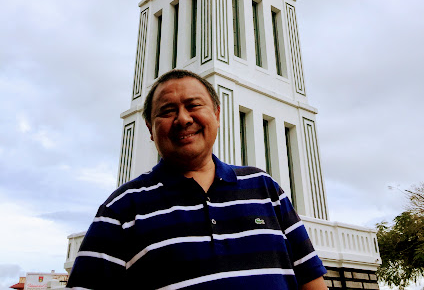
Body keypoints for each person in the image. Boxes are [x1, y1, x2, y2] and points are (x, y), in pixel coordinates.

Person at [67, 69, 328, 289]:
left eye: (193, 105)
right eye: (168, 111)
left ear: (216, 113)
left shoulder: (265, 189)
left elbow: (311, 281)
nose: (183, 118)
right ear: (150, 128)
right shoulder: (121, 209)